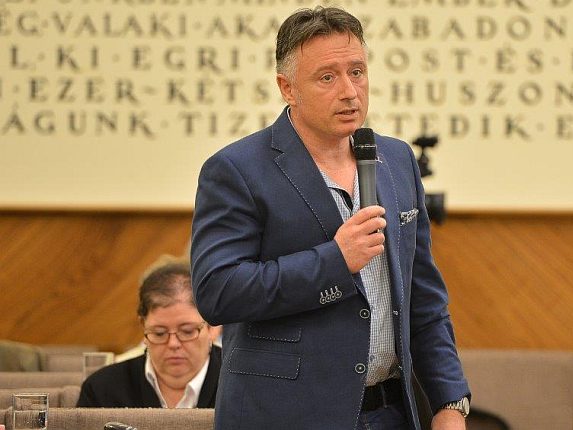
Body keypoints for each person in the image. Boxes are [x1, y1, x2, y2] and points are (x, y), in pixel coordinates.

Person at [190, 6, 470, 429]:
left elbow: (423, 297)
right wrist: (335, 261)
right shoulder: (237, 169)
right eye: (327, 77)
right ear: (287, 88)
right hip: (286, 417)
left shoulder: (396, 160)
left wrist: (450, 402)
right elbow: (218, 292)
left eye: (357, 72)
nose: (349, 91)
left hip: (391, 413)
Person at [77, 261, 222, 408]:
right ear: (143, 326)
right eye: (159, 333)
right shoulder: (102, 389)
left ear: (213, 327)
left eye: (187, 331)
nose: (173, 344)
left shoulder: (236, 383)